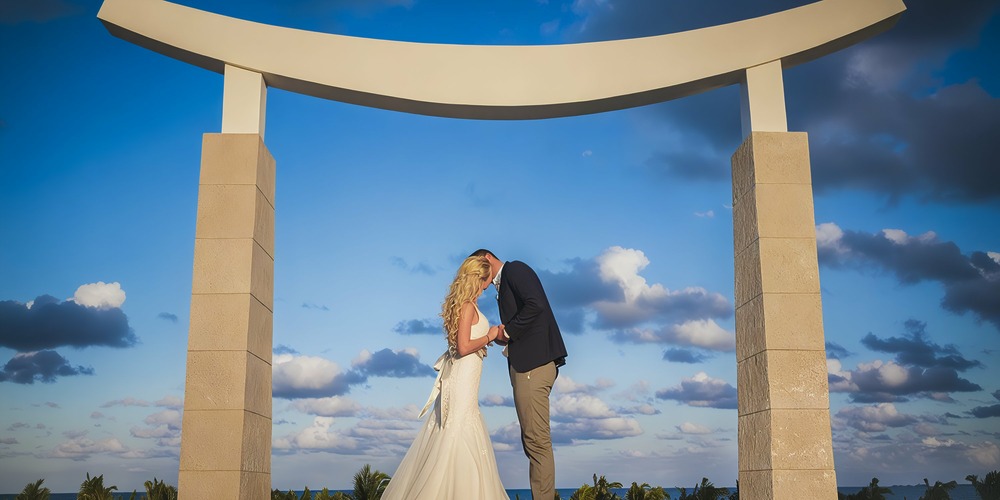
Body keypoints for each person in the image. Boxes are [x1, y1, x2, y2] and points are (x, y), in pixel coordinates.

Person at [382, 255, 509, 500]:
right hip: (462, 379)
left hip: (464, 376)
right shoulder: (468, 306)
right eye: (486, 280)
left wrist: (482, 343)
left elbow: (464, 344)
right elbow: (462, 347)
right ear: (477, 279)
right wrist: (490, 336)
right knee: (458, 431)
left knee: (458, 430)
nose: (487, 285)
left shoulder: (463, 305)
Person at [470, 249, 568, 500]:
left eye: (479, 274)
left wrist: (508, 332)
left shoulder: (515, 270)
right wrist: (507, 338)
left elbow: (536, 305)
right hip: (528, 365)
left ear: (487, 259)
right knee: (532, 440)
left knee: (536, 441)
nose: (480, 282)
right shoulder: (505, 283)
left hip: (533, 367)